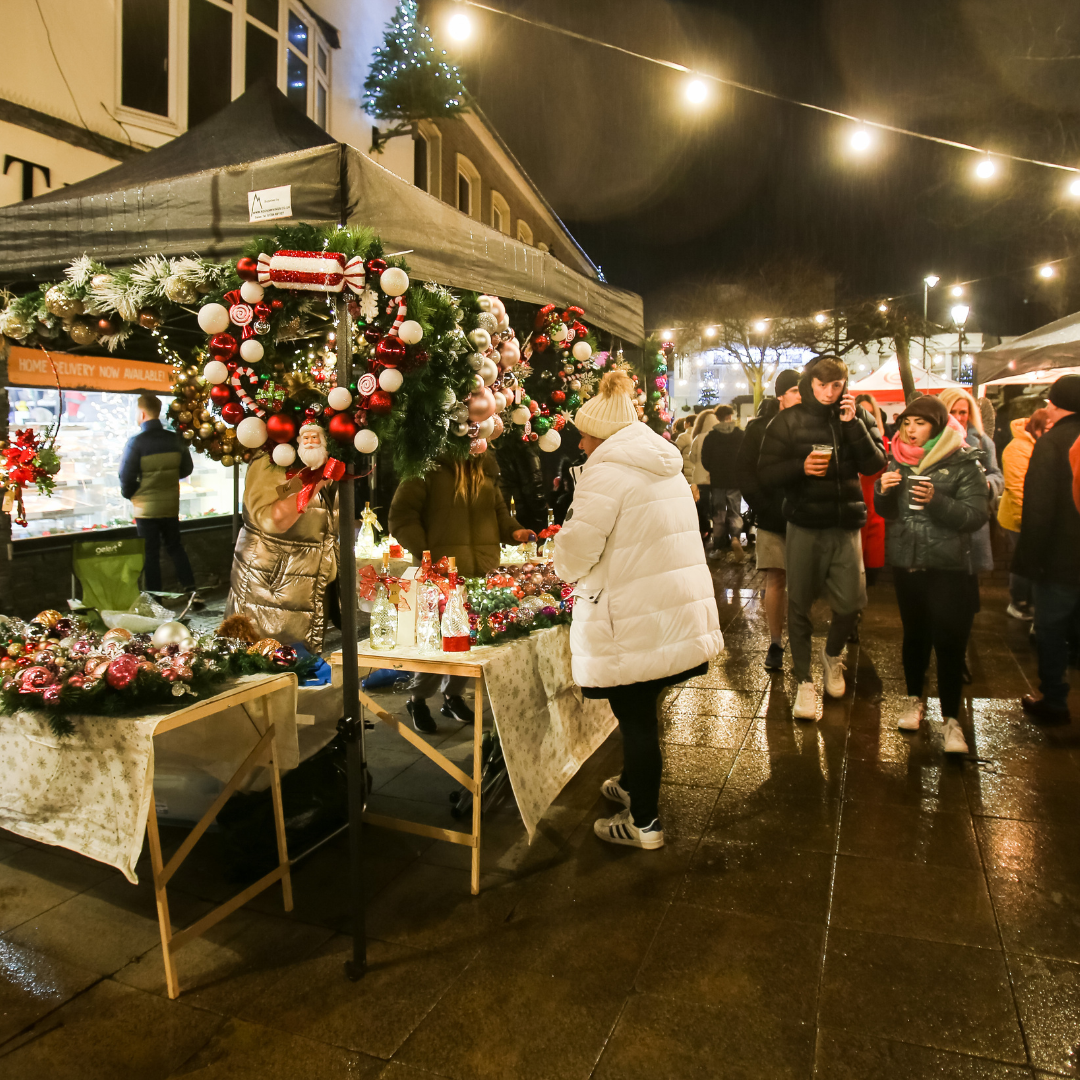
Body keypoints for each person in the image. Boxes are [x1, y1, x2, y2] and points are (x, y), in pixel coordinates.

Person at [553, 371, 723, 851]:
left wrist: (558, 552)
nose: (581, 444)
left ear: (602, 435)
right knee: (643, 707)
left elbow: (576, 553)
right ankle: (631, 784)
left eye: (584, 435)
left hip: (631, 617)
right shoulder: (662, 465)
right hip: (667, 611)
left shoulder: (605, 473)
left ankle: (645, 823)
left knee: (636, 718)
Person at [757, 355, 886, 720]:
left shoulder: (856, 416)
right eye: (822, 385)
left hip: (845, 526)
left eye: (836, 385)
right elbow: (765, 472)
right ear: (808, 384)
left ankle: (832, 656)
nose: (829, 393)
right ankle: (804, 681)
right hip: (804, 524)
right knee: (799, 605)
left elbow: (876, 464)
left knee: (850, 603)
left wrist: (852, 425)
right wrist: (800, 468)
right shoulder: (788, 420)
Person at [875, 397, 989, 754]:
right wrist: (883, 492)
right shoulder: (897, 459)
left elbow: (975, 515)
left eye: (920, 423)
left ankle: (952, 720)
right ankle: (913, 700)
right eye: (906, 422)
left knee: (950, 641)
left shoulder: (962, 461)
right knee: (915, 635)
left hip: (947, 567)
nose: (910, 430)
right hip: (908, 562)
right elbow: (890, 512)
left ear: (937, 427)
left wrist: (937, 500)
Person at [390, 454, 532, 733]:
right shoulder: (426, 465)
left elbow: (500, 514)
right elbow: (402, 516)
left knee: (471, 641)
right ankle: (417, 698)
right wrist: (427, 553)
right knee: (437, 642)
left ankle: (452, 695)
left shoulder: (486, 468)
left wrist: (515, 532)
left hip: (482, 571)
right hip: (441, 575)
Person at [227, 422, 339, 652]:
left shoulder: (311, 460)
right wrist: (316, 482)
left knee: (301, 671)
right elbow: (273, 520)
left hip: (307, 585)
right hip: (270, 590)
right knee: (266, 669)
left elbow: (292, 495)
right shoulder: (271, 461)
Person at [1014, 374, 1080, 723]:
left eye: (1050, 403)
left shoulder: (1053, 443)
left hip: (1059, 560)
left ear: (1057, 405)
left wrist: (1030, 560)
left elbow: (1038, 508)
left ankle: (1055, 699)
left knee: (1051, 630)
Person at [737, 369, 802, 670]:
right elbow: (746, 473)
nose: (803, 396)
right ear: (781, 395)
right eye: (796, 390)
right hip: (773, 516)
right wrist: (763, 507)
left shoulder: (813, 425)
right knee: (775, 579)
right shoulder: (759, 428)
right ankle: (775, 643)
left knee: (806, 583)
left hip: (807, 517)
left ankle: (803, 642)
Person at [118, 393, 199, 602]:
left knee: (151, 553)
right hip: (170, 505)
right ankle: (191, 590)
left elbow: (125, 476)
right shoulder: (174, 439)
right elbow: (187, 468)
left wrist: (132, 493)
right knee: (175, 546)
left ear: (142, 413)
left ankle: (155, 599)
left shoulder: (136, 443)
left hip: (146, 509)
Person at [938, 388, 1004, 575]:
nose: (958, 417)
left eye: (963, 412)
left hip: (972, 523)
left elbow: (997, 475)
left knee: (969, 577)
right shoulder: (932, 441)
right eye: (952, 411)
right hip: (941, 520)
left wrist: (987, 484)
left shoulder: (983, 442)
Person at [998, 408, 1052, 620]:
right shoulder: (1018, 448)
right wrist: (1026, 520)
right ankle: (1018, 602)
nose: (1051, 432)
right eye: (1047, 428)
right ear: (1036, 427)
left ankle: (1028, 601)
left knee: (1030, 558)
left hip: (1036, 515)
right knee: (1023, 559)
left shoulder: (1041, 445)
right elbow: (1017, 487)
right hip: (1017, 516)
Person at [699, 404, 746, 561]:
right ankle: (735, 538)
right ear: (730, 416)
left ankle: (719, 546)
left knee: (719, 513)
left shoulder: (711, 437)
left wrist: (714, 469)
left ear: (717, 418)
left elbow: (705, 460)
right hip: (735, 480)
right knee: (735, 510)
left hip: (718, 480)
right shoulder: (740, 435)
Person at [854, 393, 888, 589]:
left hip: (875, 516)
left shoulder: (881, 443)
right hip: (854, 516)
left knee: (870, 575)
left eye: (870, 413)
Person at [688, 408, 720, 541]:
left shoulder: (698, 438)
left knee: (702, 506)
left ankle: (705, 529)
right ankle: (719, 533)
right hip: (718, 478)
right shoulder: (720, 438)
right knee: (718, 506)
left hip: (700, 478)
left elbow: (692, 457)